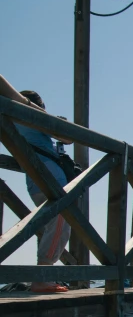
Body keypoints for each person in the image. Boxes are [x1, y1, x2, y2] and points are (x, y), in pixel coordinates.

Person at [0, 74, 73, 292]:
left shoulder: (14, 123)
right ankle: (42, 277)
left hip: (34, 183)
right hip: (50, 181)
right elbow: (68, 137)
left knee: (48, 227)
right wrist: (49, 117)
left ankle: (42, 277)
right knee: (61, 223)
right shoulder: (32, 115)